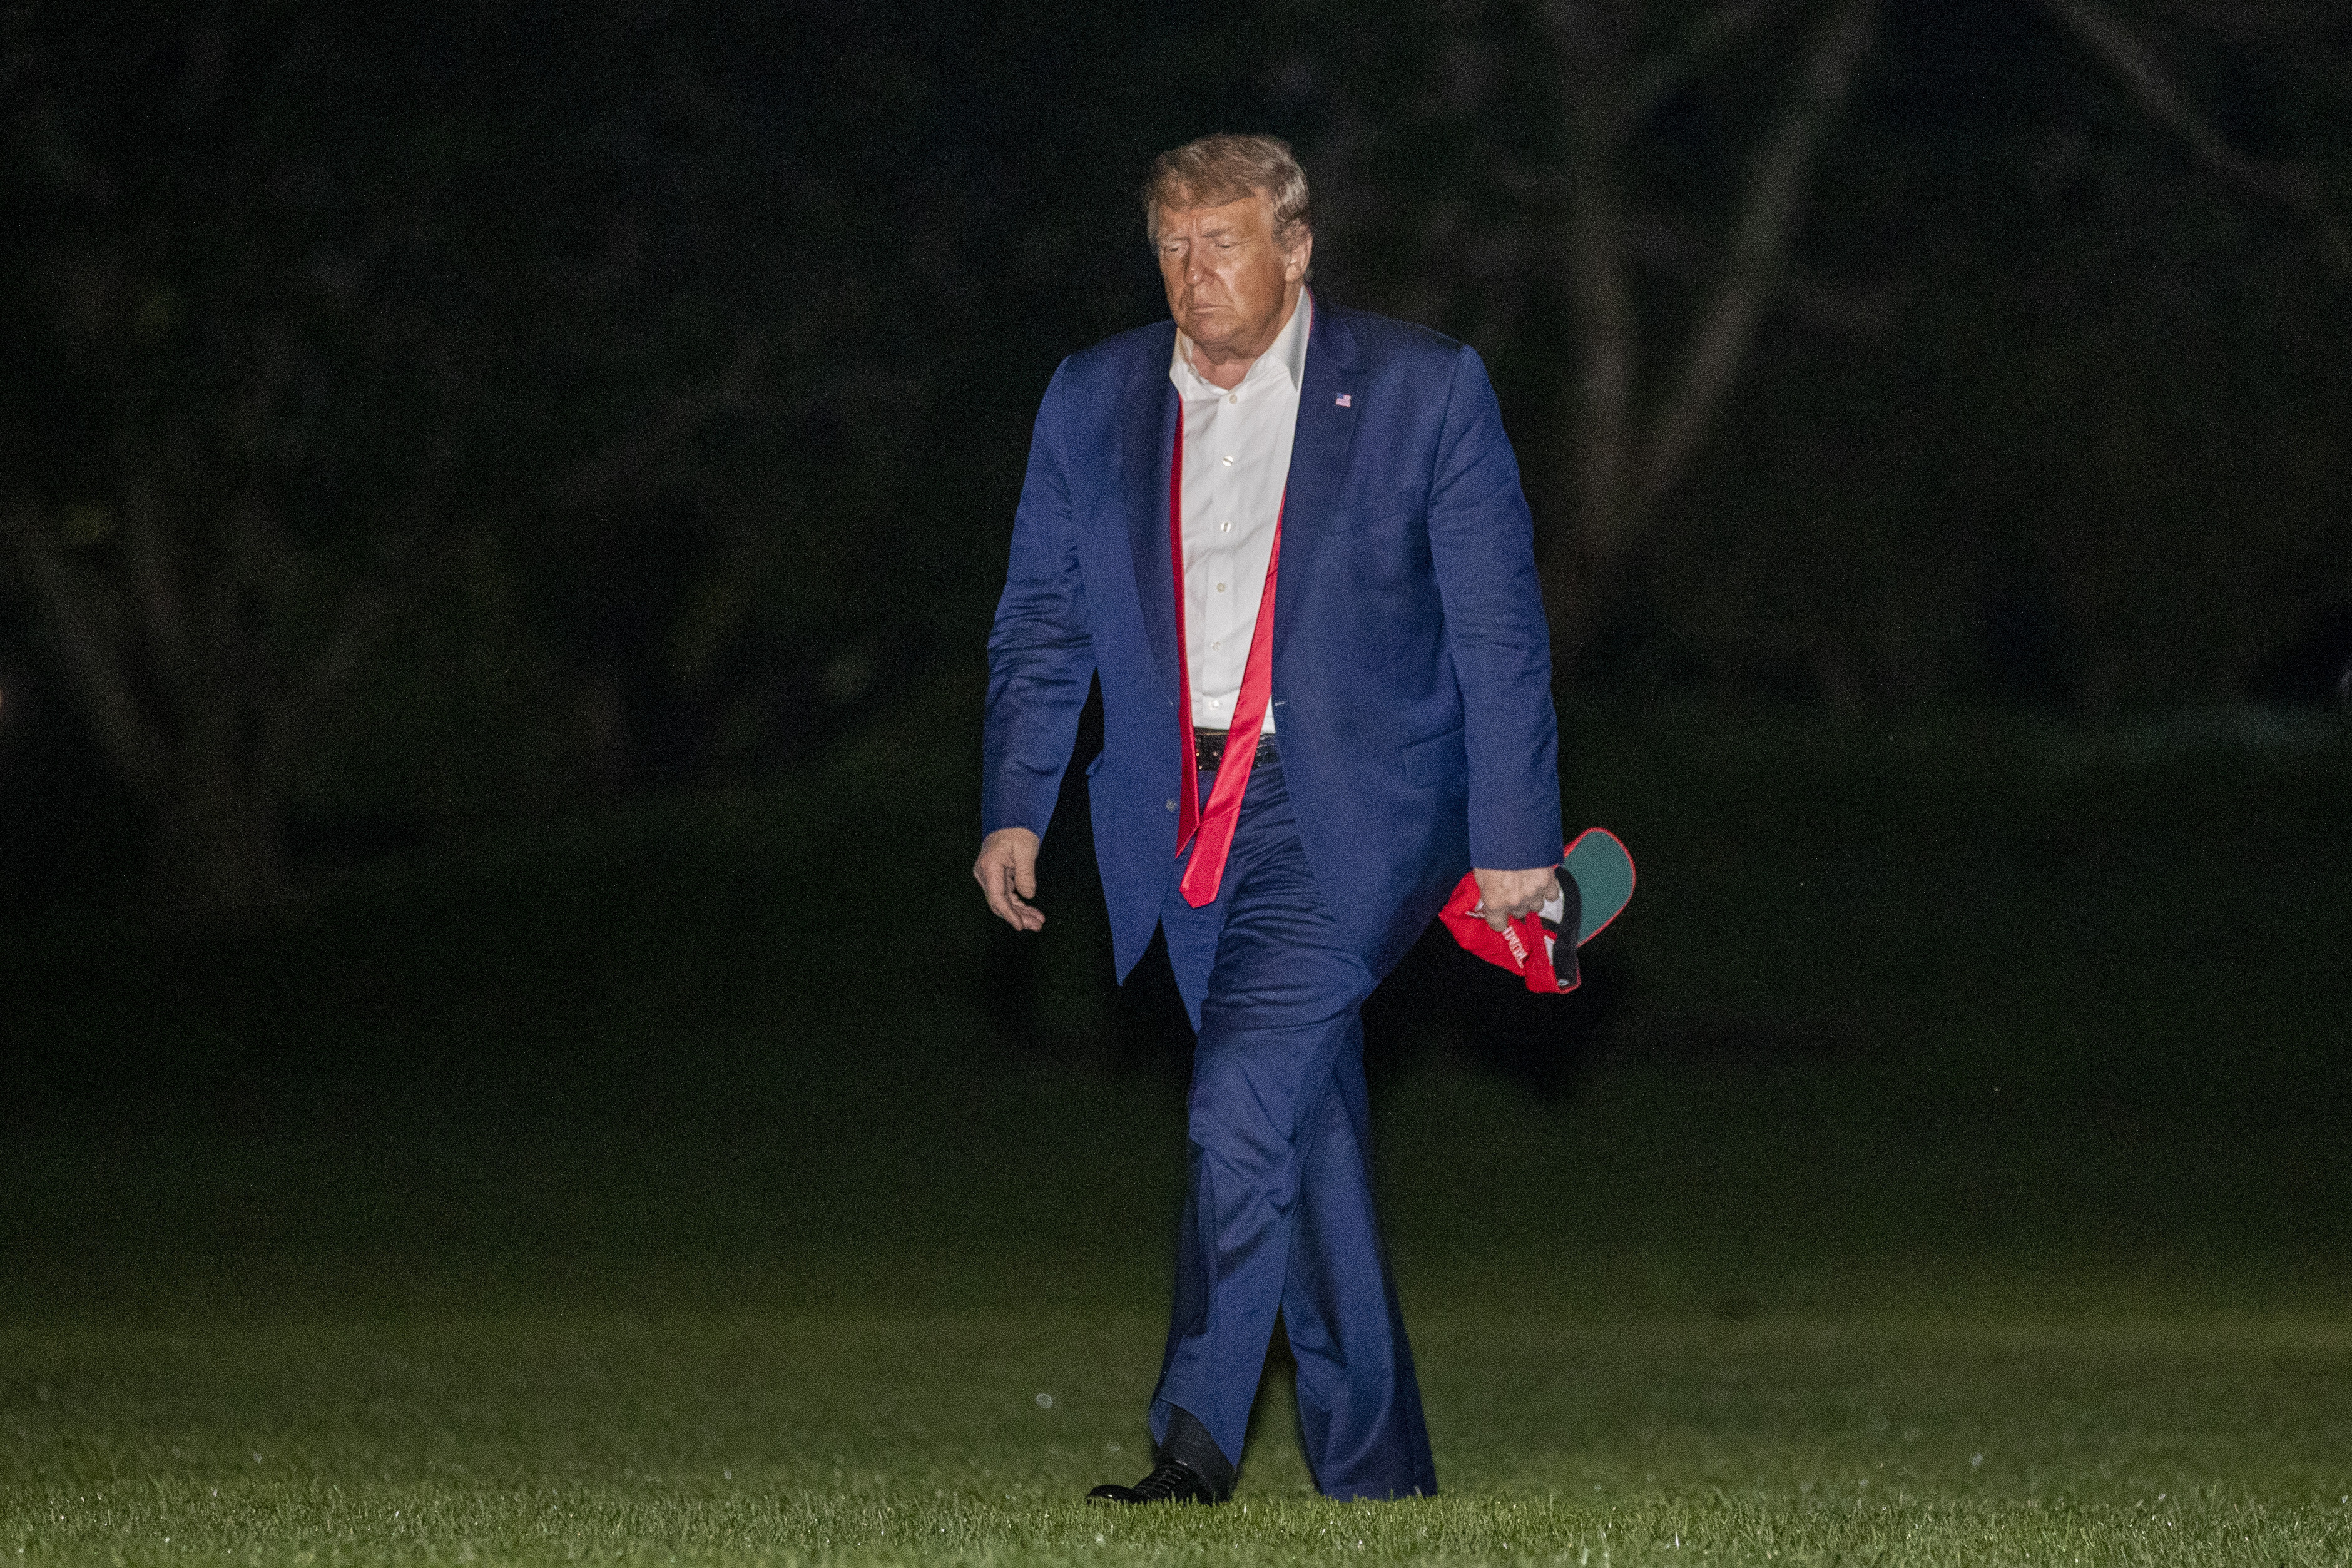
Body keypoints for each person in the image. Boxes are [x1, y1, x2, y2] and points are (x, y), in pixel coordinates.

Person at [973, 133, 1562, 1505]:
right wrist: (1015, 803)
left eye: (1223, 243)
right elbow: (1045, 617)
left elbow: (1497, 630)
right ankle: (1378, 1472)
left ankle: (1191, 1440)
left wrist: (1514, 836)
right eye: (1172, 248)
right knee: (1303, 1134)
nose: (1195, 274)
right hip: (1177, 810)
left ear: (1296, 248)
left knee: (1238, 1099)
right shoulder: (1093, 396)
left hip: (1345, 804)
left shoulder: (1422, 388)